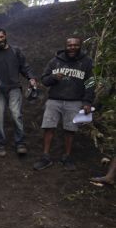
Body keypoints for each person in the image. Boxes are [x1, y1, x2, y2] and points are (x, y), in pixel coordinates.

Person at [33, 37, 95, 171]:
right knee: (48, 127)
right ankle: (45, 157)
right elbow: (44, 80)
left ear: (80, 46)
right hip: (54, 100)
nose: (72, 47)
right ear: (65, 46)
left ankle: (66, 157)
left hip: (75, 101)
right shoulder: (55, 61)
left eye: (75, 45)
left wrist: (87, 101)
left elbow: (90, 83)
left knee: (70, 129)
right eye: (69, 45)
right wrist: (53, 77)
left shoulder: (86, 62)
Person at [0, 28, 37, 157]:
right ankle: (0, 143)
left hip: (14, 87)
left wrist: (31, 78)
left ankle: (20, 143)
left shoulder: (16, 51)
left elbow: (25, 67)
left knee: (16, 114)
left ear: (5, 36)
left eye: (1, 37)